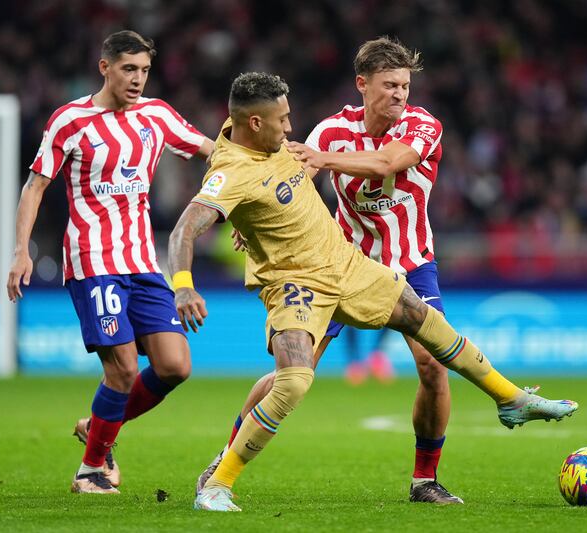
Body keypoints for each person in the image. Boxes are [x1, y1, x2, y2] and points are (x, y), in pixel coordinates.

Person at [168, 71, 578, 512]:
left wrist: (250, 222)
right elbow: (184, 230)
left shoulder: (280, 144)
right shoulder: (232, 171)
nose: (290, 129)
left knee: (429, 325)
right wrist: (184, 287)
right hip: (297, 283)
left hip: (348, 265)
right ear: (254, 123)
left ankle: (511, 400)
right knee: (293, 382)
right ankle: (219, 483)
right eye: (283, 120)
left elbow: (293, 192)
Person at [195, 36, 471, 504]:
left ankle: (424, 480)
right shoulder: (328, 132)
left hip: (411, 262)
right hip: (337, 263)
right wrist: (251, 221)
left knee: (432, 366)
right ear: (362, 84)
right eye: (390, 85)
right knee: (293, 372)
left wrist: (325, 160)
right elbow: (282, 185)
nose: (401, 94)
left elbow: (389, 161)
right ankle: (224, 460)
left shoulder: (423, 125)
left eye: (405, 85)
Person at [6, 30, 214, 494]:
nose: (138, 79)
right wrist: (21, 250)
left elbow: (214, 152)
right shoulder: (70, 120)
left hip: (142, 262)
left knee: (174, 366)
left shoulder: (157, 116)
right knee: (120, 369)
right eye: (128, 69)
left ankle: (97, 425)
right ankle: (92, 468)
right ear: (105, 68)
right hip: (93, 259)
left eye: (144, 70)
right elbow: (35, 186)